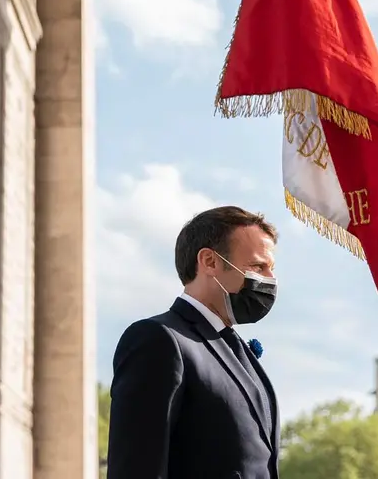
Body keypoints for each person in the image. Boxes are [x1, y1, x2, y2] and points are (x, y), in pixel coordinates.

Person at [107, 205, 281, 479]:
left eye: (271, 268)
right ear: (209, 261)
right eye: (257, 266)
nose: (269, 279)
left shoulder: (238, 352)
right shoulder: (160, 339)